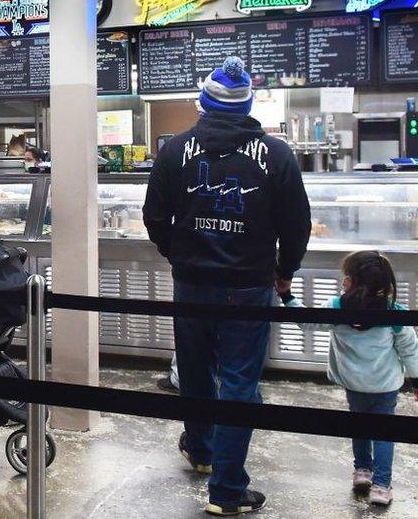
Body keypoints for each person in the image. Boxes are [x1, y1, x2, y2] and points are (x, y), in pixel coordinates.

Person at [143, 55, 311, 516]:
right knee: (239, 383)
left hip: (192, 284)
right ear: (249, 106)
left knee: (194, 372)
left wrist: (177, 254)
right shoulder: (277, 155)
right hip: (249, 287)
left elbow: (153, 218)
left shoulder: (175, 149)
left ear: (203, 103)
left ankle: (201, 451)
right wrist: (285, 270)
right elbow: (298, 224)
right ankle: (226, 489)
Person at [280, 251, 418, 507]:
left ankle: (362, 471)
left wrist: (287, 296)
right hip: (384, 386)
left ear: (349, 281)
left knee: (358, 426)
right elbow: (410, 350)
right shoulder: (395, 313)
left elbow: (307, 323)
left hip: (353, 384)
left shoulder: (337, 307)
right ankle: (381, 486)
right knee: (383, 433)